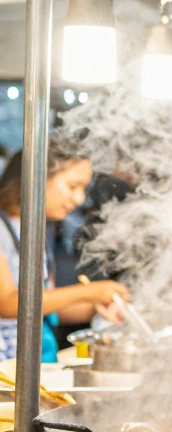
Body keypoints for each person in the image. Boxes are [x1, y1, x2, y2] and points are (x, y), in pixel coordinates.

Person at [0, 146, 126, 362]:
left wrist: (96, 309)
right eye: (72, 186)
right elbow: (9, 304)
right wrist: (91, 292)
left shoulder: (35, 232)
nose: (79, 199)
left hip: (35, 364)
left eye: (84, 188)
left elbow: (44, 307)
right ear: (34, 178)